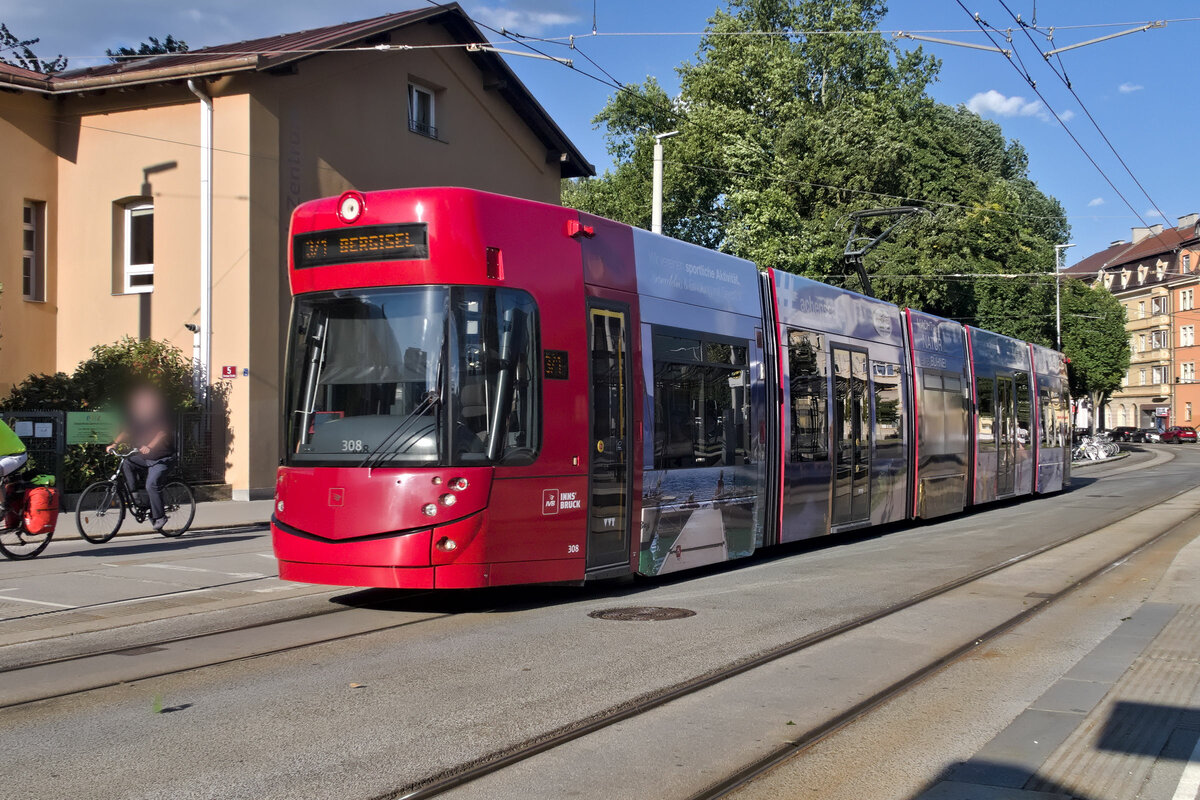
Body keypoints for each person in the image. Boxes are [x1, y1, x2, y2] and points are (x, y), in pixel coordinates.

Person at [107, 385, 175, 531]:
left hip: (162, 459)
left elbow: (161, 433)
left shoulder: (161, 416)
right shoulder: (137, 418)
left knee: (151, 484)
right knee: (127, 462)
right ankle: (135, 495)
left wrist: (149, 446)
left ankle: (159, 517)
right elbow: (126, 431)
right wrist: (114, 444)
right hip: (145, 458)